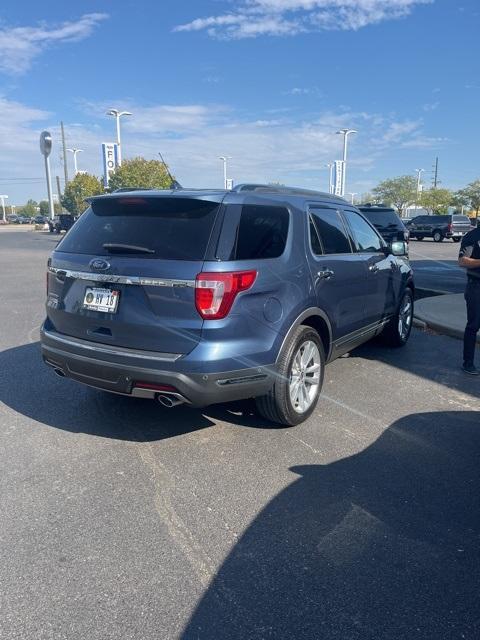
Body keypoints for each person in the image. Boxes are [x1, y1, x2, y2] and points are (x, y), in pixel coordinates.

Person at [458, 225, 480, 374]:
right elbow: (462, 261)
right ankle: (468, 363)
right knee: (473, 325)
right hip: (476, 287)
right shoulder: (473, 236)